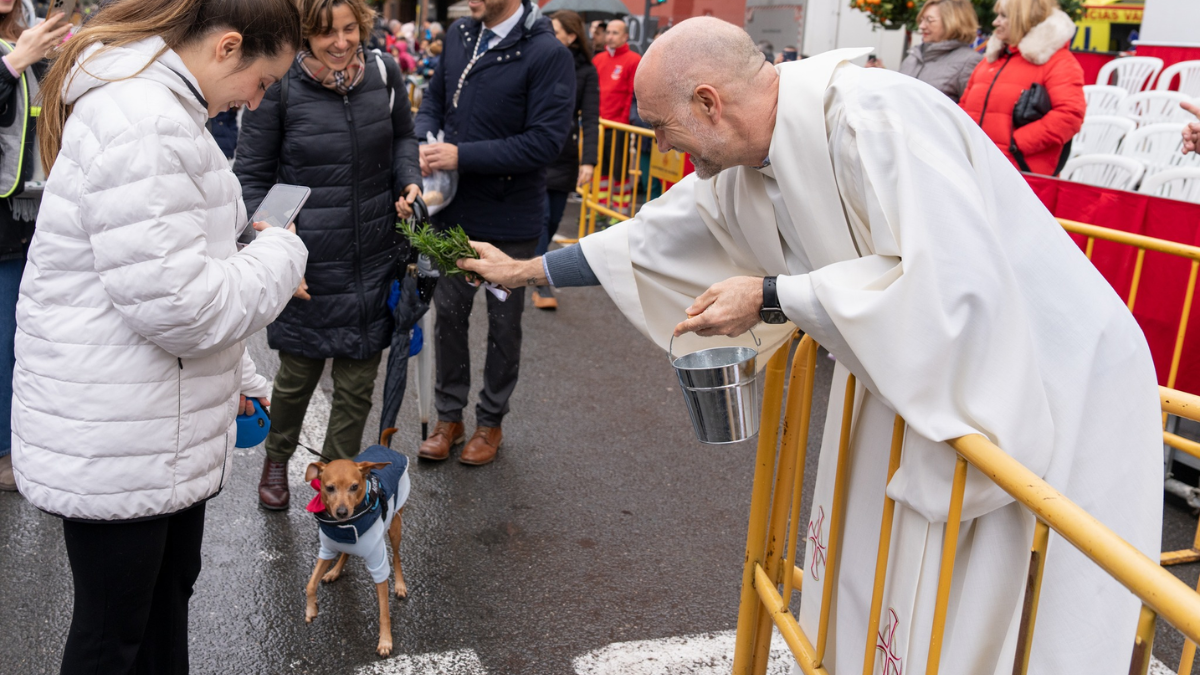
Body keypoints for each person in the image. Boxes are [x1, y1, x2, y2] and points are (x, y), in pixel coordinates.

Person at [460, 17, 1160, 675]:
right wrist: (528, 270)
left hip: (1048, 379)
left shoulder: (875, 118)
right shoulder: (741, 162)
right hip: (939, 382)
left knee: (1041, 602)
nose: (665, 149)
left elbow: (955, 291)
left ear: (709, 102)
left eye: (664, 130)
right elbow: (651, 239)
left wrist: (772, 294)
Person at [13, 0, 308, 670]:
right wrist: (281, 254)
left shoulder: (160, 111)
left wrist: (238, 378)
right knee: (115, 634)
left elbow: (175, 274)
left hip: (145, 423)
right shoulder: (145, 121)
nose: (256, 104)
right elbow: (183, 306)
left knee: (154, 610)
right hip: (122, 432)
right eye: (261, 82)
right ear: (227, 48)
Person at [236, 0, 422, 510]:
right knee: (297, 377)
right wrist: (273, 251)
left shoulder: (384, 73)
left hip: (374, 256)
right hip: (308, 262)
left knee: (358, 383)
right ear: (303, 36)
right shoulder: (280, 87)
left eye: (348, 30)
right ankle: (277, 457)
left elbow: (405, 136)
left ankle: (334, 484)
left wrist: (410, 179)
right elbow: (251, 176)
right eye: (324, 34)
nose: (339, 43)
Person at [413, 0, 574, 465]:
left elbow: (545, 142)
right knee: (449, 318)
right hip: (453, 213)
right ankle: (449, 417)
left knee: (504, 327)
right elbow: (435, 100)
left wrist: (461, 155)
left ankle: (490, 422)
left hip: (511, 221)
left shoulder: (547, 52)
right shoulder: (463, 33)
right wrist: (426, 138)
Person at [0, 2, 69, 493]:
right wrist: (12, 65)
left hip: (32, 217)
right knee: (4, 343)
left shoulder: (28, 37)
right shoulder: (18, 49)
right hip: (5, 222)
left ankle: (25, 442)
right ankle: (4, 452)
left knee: (33, 339)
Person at [959, 0, 1084, 175]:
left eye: (1003, 16)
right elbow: (964, 108)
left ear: (1022, 18)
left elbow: (1069, 116)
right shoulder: (991, 60)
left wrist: (1015, 144)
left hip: (1019, 175)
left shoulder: (1059, 62)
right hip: (975, 167)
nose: (995, 22)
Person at [532, 9, 598, 311]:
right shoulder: (539, 59)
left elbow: (591, 119)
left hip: (566, 155)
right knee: (541, 218)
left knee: (555, 218)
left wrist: (589, 161)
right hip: (536, 151)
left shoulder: (586, 71)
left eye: (555, 30)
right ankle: (540, 280)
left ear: (571, 37)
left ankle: (528, 268)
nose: (547, 33)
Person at [898, 0, 982, 102]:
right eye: (922, 20)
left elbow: (970, 110)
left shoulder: (970, 61)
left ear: (953, 21)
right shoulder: (913, 56)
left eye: (929, 20)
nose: (922, 26)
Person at [593, 18, 640, 196]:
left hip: (619, 126)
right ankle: (601, 209)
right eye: (608, 32)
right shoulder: (598, 59)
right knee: (601, 169)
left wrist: (623, 123)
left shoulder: (634, 60)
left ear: (625, 36)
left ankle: (620, 211)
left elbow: (632, 95)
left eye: (615, 33)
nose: (610, 36)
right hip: (599, 125)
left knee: (619, 170)